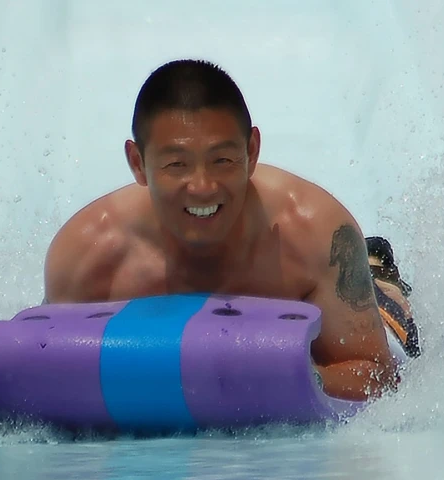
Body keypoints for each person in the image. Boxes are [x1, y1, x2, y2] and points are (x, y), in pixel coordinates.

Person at [43, 59, 420, 402]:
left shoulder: (315, 233)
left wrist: (294, 378)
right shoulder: (86, 254)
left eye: (222, 160)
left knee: (390, 316)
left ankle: (377, 276)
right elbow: (46, 377)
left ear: (252, 151)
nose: (203, 186)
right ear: (137, 163)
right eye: (177, 165)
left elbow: (380, 377)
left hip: (345, 308)